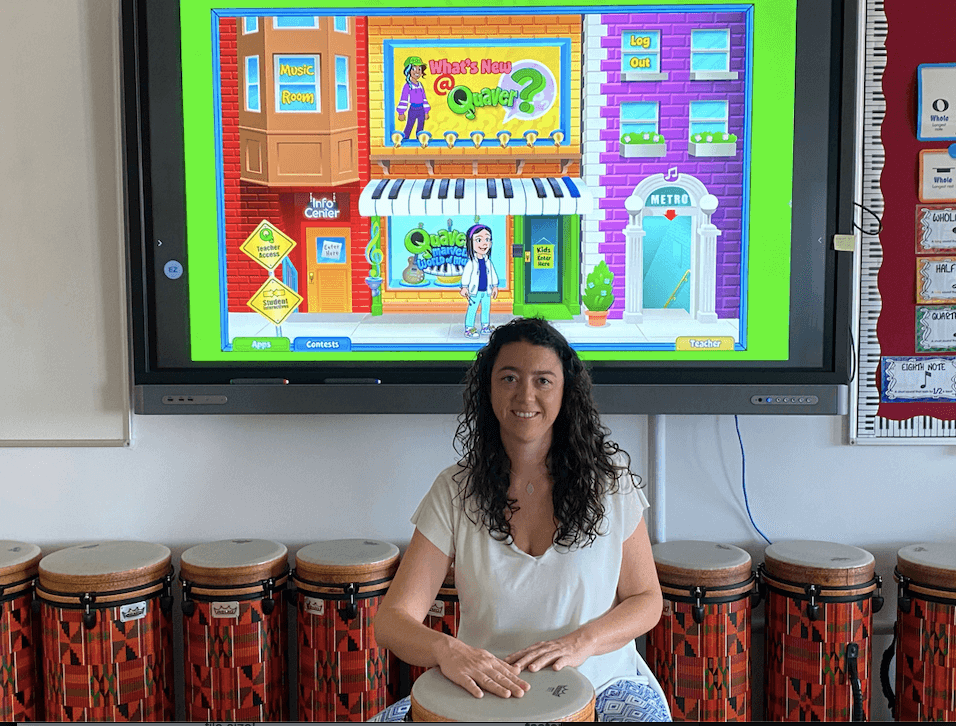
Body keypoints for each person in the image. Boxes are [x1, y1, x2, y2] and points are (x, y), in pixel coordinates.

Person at [371, 317, 671, 722]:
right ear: (489, 389)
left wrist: (582, 642)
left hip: (604, 684)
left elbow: (647, 601)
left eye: (543, 380)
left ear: (566, 392)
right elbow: (392, 621)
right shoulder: (454, 489)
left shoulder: (611, 483)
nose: (525, 395)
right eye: (509, 378)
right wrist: (449, 650)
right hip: (488, 690)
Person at [459, 223, 499, 339]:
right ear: (470, 243)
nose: (484, 243)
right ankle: (469, 328)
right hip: (474, 291)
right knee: (472, 309)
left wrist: (495, 286)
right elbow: (466, 275)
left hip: (486, 291)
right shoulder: (471, 263)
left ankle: (485, 326)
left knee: (486, 308)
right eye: (479, 240)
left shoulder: (488, 261)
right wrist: (464, 287)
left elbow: (493, 274)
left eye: (487, 239)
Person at [397, 56, 430, 140]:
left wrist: (426, 111)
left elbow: (424, 99)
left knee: (420, 127)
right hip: (413, 109)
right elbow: (404, 99)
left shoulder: (420, 85)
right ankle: (404, 140)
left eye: (419, 69)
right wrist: (401, 112)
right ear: (408, 71)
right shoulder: (407, 86)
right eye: (414, 69)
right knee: (409, 125)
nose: (417, 72)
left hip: (421, 109)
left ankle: (420, 141)